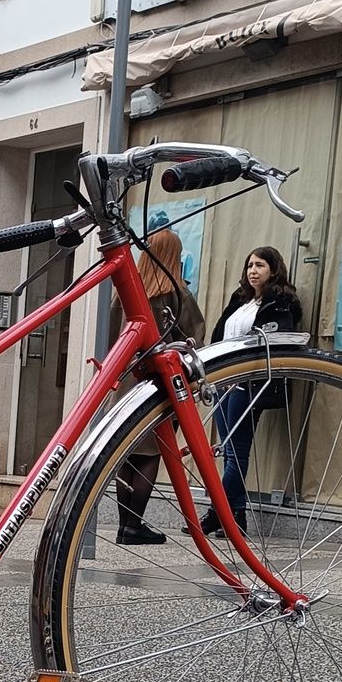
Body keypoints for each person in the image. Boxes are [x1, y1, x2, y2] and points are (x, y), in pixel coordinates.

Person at [193, 245, 303, 537]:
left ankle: (217, 512)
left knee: (237, 452)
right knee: (228, 452)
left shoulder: (281, 302)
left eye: (260, 266)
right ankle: (236, 516)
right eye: (250, 265)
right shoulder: (240, 299)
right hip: (223, 383)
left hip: (249, 383)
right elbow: (221, 335)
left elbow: (279, 341)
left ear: (274, 270)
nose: (253, 271)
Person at [114, 228, 204, 546]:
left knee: (127, 454)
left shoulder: (126, 292)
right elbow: (196, 339)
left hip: (125, 381)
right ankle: (134, 525)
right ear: (174, 256)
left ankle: (125, 524)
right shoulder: (178, 294)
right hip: (159, 384)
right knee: (151, 454)